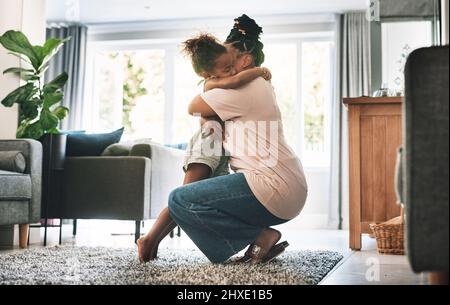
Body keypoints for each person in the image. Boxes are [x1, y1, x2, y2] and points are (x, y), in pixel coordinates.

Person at [166, 14, 308, 264]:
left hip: (272, 185)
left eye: (227, 60)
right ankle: (257, 238)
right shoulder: (255, 84)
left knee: (180, 198)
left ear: (245, 59)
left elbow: (193, 106)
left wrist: (211, 87)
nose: (221, 68)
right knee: (198, 193)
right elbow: (204, 113)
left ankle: (261, 236)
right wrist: (208, 118)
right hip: (285, 184)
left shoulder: (246, 87)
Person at [137, 33, 272, 263]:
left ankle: (151, 239)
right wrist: (260, 72)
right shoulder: (214, 82)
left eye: (231, 66)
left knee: (197, 197)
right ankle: (149, 238)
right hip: (208, 142)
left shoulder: (218, 79)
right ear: (206, 74)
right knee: (186, 193)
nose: (231, 71)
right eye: (226, 68)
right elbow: (232, 84)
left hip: (219, 144)